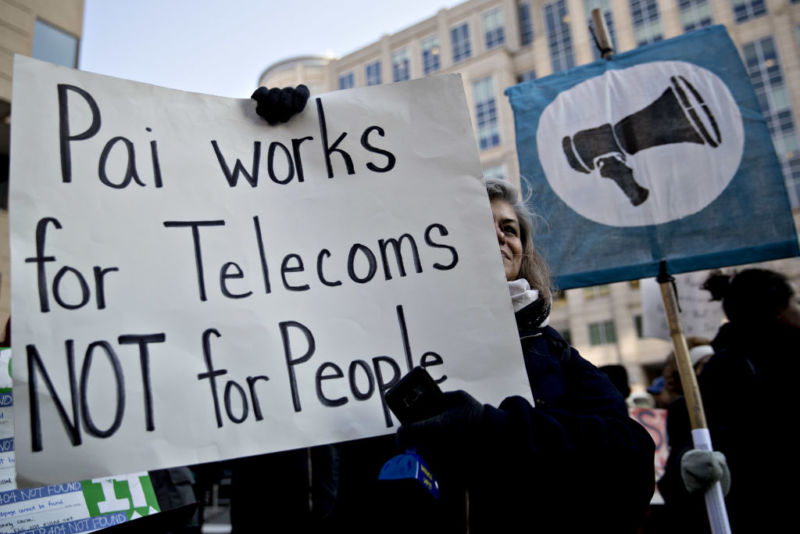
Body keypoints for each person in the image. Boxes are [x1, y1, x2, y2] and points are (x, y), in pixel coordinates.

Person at [395, 178, 656, 532]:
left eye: (509, 229)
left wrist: (493, 429)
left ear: (523, 250)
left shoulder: (552, 350)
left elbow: (631, 455)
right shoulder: (398, 341)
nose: (501, 237)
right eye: (479, 225)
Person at [659, 268, 800, 533]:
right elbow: (708, 439)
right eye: (796, 302)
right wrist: (689, 463)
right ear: (777, 310)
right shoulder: (731, 369)